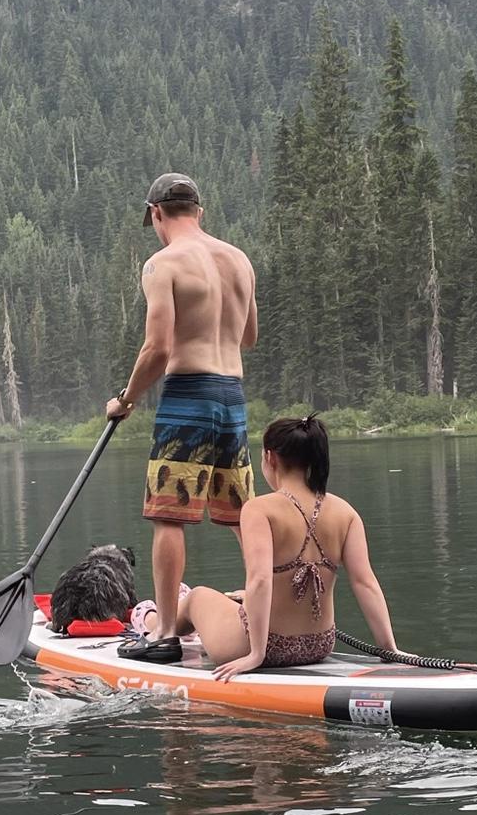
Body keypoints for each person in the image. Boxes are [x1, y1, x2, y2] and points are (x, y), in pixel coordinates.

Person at [104, 173, 258, 662]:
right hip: (231, 395)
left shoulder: (162, 264)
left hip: (188, 395)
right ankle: (268, 617)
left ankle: (165, 634)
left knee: (168, 517)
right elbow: (249, 336)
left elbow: (158, 348)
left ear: (156, 214)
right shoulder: (238, 260)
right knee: (243, 517)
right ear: (200, 210)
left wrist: (125, 400)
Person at [173, 414, 398, 680]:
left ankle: (151, 620)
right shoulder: (345, 513)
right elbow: (365, 583)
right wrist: (391, 649)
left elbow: (260, 579)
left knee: (197, 597)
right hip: (318, 645)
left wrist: (256, 654)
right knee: (241, 597)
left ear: (270, 458)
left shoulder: (260, 509)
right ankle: (211, 607)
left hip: (266, 647)